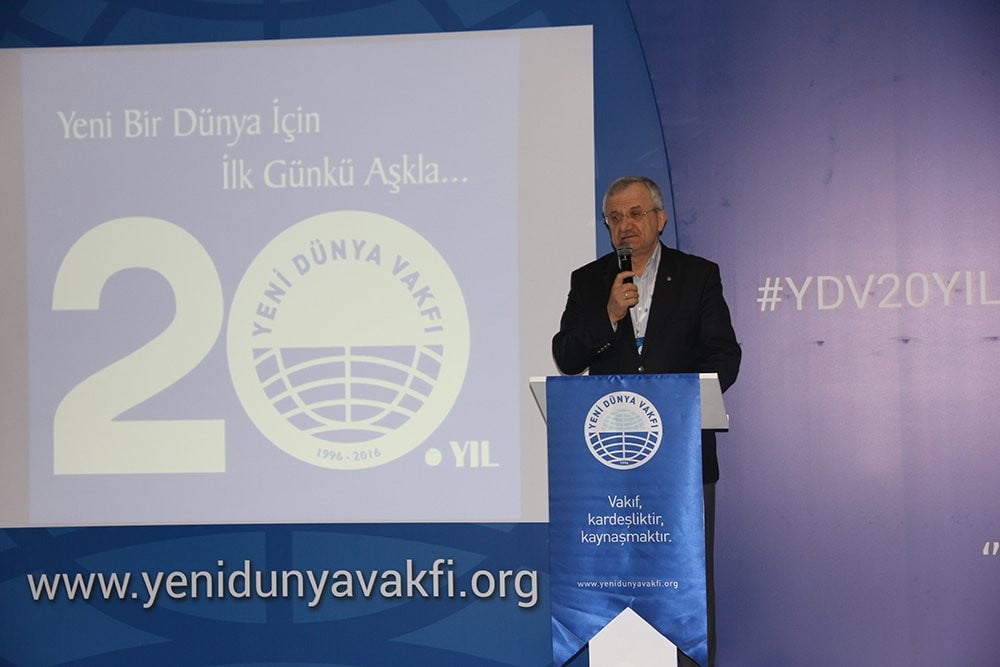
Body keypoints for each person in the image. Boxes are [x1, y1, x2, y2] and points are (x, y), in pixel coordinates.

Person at [552, 175, 740, 667]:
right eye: (614, 217)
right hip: (609, 467)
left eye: (635, 213)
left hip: (681, 464)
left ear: (660, 218)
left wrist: (677, 405)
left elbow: (724, 355)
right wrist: (609, 316)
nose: (625, 225)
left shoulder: (698, 275)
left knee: (685, 585)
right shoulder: (589, 281)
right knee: (615, 580)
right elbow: (567, 356)